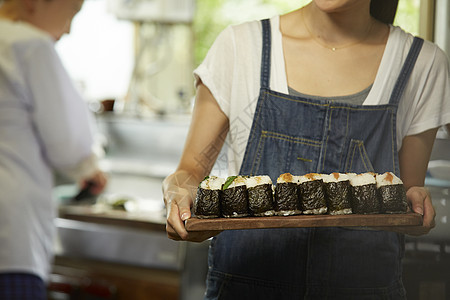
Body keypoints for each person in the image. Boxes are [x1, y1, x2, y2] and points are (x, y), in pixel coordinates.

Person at [163, 0, 450, 298]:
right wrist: (177, 194)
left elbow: (406, 193)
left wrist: (415, 204)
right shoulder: (239, 48)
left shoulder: (422, 63)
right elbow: (189, 173)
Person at [0, 0, 107, 299]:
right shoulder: (29, 46)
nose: (69, 29)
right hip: (10, 242)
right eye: (72, 10)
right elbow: (70, 144)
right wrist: (88, 167)